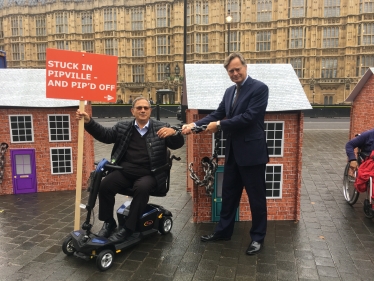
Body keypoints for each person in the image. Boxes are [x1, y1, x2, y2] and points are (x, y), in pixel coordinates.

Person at [182, 52, 269, 255]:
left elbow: (248, 117)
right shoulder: (230, 91)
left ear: (245, 68)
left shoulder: (259, 88)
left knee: (256, 198)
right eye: (231, 71)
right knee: (229, 195)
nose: (235, 73)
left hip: (252, 155)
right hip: (232, 154)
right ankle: (223, 232)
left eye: (238, 69)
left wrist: (219, 125)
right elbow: (217, 113)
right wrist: (194, 125)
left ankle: (257, 238)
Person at [76, 97, 184, 242]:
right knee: (105, 185)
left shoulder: (161, 127)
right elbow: (106, 135)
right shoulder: (123, 127)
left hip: (150, 173)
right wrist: (89, 122)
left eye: (146, 108)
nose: (143, 110)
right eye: (139, 108)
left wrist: (175, 133)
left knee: (142, 188)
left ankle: (128, 228)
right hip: (124, 171)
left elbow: (177, 145)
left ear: (150, 111)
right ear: (132, 111)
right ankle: (109, 222)